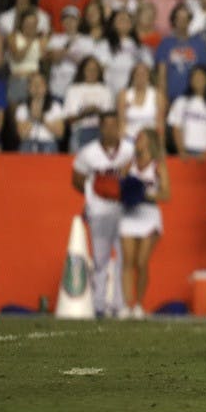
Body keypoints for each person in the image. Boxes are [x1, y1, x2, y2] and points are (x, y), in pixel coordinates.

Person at [71, 112, 135, 318]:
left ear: (120, 127)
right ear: (100, 128)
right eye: (106, 126)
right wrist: (95, 190)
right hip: (99, 210)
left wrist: (124, 185)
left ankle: (119, 304)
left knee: (124, 257)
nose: (110, 130)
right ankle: (98, 305)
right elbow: (77, 178)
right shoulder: (88, 152)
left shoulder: (129, 150)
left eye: (114, 125)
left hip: (124, 211)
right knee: (100, 259)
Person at [118, 127, 170, 319]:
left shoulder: (157, 165)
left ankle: (139, 304)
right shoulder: (129, 163)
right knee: (127, 261)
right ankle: (127, 304)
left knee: (141, 262)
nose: (136, 142)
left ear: (149, 141)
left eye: (139, 139)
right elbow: (118, 184)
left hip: (149, 215)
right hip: (129, 214)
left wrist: (145, 194)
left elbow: (166, 194)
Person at [166, 65, 206, 157]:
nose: (198, 80)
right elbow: (176, 128)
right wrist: (181, 151)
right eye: (195, 77)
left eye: (201, 77)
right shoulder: (180, 102)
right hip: (185, 152)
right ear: (190, 80)